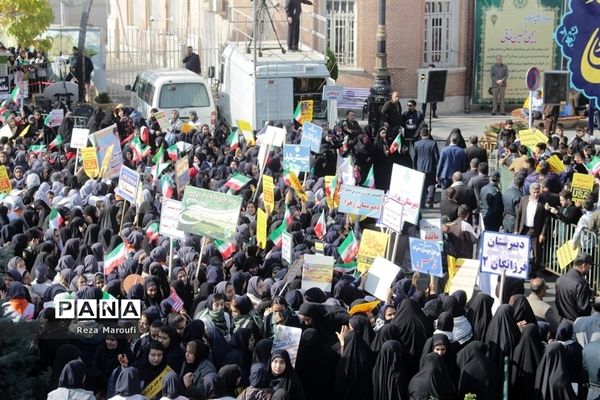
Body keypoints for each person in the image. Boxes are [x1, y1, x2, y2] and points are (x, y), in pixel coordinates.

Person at [514, 182, 548, 278]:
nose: (536, 194)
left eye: (538, 192)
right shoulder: (524, 200)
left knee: (536, 254)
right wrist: (516, 230)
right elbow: (519, 216)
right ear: (530, 191)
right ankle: (521, 271)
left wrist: (542, 233)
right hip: (524, 229)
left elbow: (546, 220)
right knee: (521, 252)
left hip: (535, 231)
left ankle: (533, 273)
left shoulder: (543, 202)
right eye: (534, 192)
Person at [555, 252, 593, 322]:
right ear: (584, 265)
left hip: (561, 321)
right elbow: (584, 309)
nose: (590, 268)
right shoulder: (581, 283)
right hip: (576, 324)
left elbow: (557, 302)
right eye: (589, 265)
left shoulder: (560, 279)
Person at [413, 126, 439, 208]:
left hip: (420, 168)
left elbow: (414, 157)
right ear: (428, 134)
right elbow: (437, 157)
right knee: (431, 184)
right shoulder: (433, 143)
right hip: (431, 167)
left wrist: (415, 168)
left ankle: (422, 203)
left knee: (422, 186)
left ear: (420, 135)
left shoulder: (417, 144)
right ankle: (430, 200)